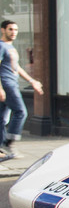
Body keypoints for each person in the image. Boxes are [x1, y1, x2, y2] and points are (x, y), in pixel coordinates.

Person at [0, 20, 44, 159]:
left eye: (16, 30)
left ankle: (2, 148)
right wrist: (0, 88)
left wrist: (32, 81)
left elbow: (16, 68)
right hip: (7, 85)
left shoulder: (10, 47)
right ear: (3, 30)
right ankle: (8, 144)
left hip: (11, 83)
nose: (14, 32)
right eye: (10, 29)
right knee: (21, 112)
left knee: (1, 119)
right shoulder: (1, 46)